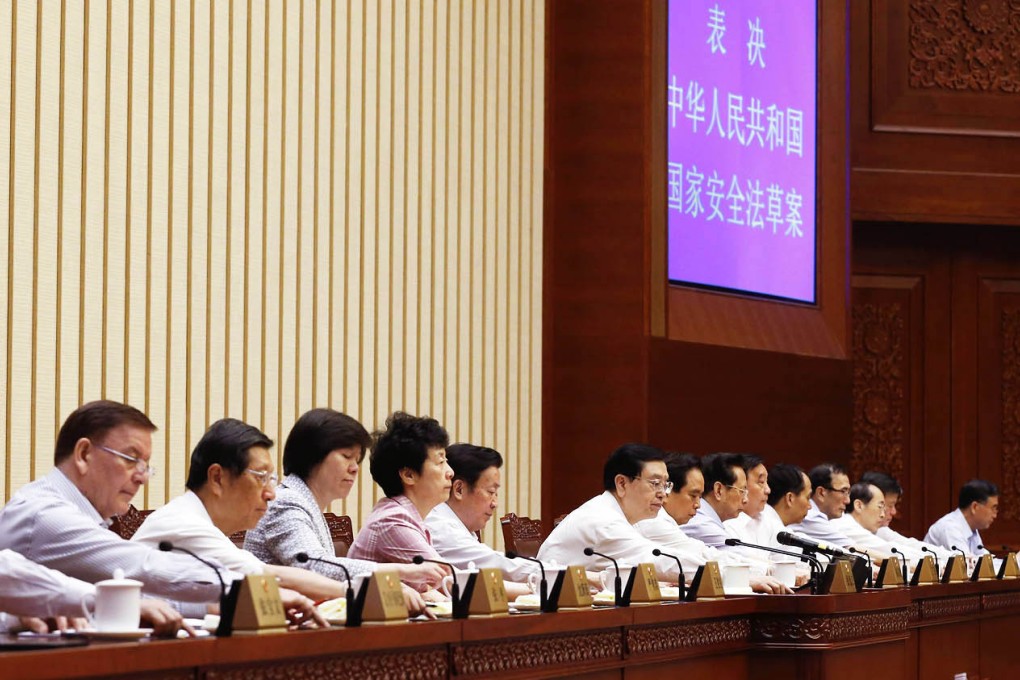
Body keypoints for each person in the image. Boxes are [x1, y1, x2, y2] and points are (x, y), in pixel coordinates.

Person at [0, 400, 231, 628]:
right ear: (83, 454)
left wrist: (206, 606)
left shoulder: (83, 515)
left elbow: (126, 595)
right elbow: (144, 566)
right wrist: (245, 587)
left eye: (145, 465)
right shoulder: (44, 515)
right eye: (131, 459)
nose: (141, 477)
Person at [242, 409, 443, 597]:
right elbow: (314, 566)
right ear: (314, 456)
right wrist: (402, 571)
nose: (354, 468)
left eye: (357, 460)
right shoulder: (286, 502)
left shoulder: (306, 502)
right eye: (347, 457)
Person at [536, 443, 684, 583]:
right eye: (655, 483)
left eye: (665, 485)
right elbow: (659, 561)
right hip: (549, 604)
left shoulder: (614, 513)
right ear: (622, 483)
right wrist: (706, 570)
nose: (663, 494)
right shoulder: (603, 521)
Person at [347, 412, 454, 592]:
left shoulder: (404, 515)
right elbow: (453, 581)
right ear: (409, 475)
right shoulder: (392, 521)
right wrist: (520, 591)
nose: (450, 472)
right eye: (440, 461)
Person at [635, 452, 773, 589]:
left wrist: (768, 570)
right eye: (693, 495)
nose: (698, 505)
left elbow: (704, 553)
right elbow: (695, 557)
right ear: (668, 493)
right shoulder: (652, 521)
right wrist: (749, 576)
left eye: (700, 497)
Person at [424, 443, 531, 599]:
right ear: (459, 489)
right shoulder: (440, 526)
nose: (495, 503)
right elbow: (495, 567)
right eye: (491, 492)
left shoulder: (459, 525)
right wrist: (549, 580)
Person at [861, 470, 953, 564]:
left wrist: (951, 558)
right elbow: (894, 552)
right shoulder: (850, 528)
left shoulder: (880, 530)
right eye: (888, 505)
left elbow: (908, 544)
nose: (894, 512)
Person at [924, 479, 998, 556]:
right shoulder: (950, 528)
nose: (995, 515)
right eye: (993, 508)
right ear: (975, 507)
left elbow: (983, 559)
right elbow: (966, 566)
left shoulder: (971, 529)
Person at [786, 463, 854, 546]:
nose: (848, 501)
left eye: (848, 493)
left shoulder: (829, 517)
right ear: (821, 493)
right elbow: (853, 550)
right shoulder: (810, 516)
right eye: (843, 491)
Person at [829, 482, 896, 562]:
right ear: (859, 506)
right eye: (880, 507)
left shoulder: (875, 529)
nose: (883, 515)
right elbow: (888, 550)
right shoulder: (845, 526)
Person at [723, 455, 777, 548]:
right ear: (742, 483)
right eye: (761, 481)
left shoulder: (767, 516)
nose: (768, 490)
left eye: (766, 482)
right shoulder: (727, 523)